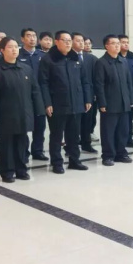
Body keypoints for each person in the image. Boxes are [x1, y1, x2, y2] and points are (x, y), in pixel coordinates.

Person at [0, 37, 45, 183]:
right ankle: (7, 172)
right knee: (6, 145)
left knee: (22, 143)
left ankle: (21, 170)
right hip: (5, 115)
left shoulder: (26, 69)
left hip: (24, 113)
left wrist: (39, 109)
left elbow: (35, 91)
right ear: (2, 50)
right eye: (10, 47)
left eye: (16, 47)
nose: (14, 50)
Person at [38, 30, 92, 174]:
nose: (68, 43)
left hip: (76, 103)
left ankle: (75, 161)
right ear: (57, 42)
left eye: (69, 40)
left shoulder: (76, 58)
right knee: (56, 136)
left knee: (74, 135)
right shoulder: (48, 59)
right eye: (65, 40)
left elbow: (85, 81)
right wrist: (47, 103)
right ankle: (57, 163)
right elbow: (43, 83)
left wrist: (87, 98)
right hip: (57, 104)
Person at [94, 35, 133, 166]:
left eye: (118, 43)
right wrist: (102, 102)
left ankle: (121, 153)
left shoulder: (123, 61)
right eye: (114, 43)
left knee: (123, 130)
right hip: (109, 103)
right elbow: (99, 85)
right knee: (108, 131)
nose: (117, 45)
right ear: (106, 46)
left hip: (124, 102)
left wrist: (131, 99)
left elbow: (129, 82)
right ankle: (108, 155)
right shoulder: (101, 63)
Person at [18, 28, 48, 161]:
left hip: (40, 95)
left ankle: (38, 151)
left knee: (40, 125)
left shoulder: (43, 56)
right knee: (23, 125)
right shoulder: (18, 55)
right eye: (28, 36)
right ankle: (23, 152)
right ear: (22, 39)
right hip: (23, 96)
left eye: (34, 36)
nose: (32, 38)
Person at [72, 32, 99, 154]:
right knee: (74, 123)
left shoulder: (91, 58)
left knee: (88, 121)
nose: (81, 43)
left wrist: (94, 94)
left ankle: (86, 143)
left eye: (82, 41)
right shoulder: (68, 57)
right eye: (78, 41)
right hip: (74, 95)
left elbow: (96, 77)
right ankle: (71, 146)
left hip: (89, 94)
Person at [119, 34, 133, 148]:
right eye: (123, 42)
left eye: (127, 42)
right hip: (119, 92)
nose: (126, 44)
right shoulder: (116, 57)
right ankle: (120, 140)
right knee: (121, 118)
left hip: (131, 92)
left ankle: (129, 138)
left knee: (130, 117)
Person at [83, 37, 99, 141]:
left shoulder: (94, 59)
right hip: (81, 91)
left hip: (92, 91)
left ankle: (90, 132)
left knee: (92, 114)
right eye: (85, 43)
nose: (87, 45)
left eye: (89, 43)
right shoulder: (76, 58)